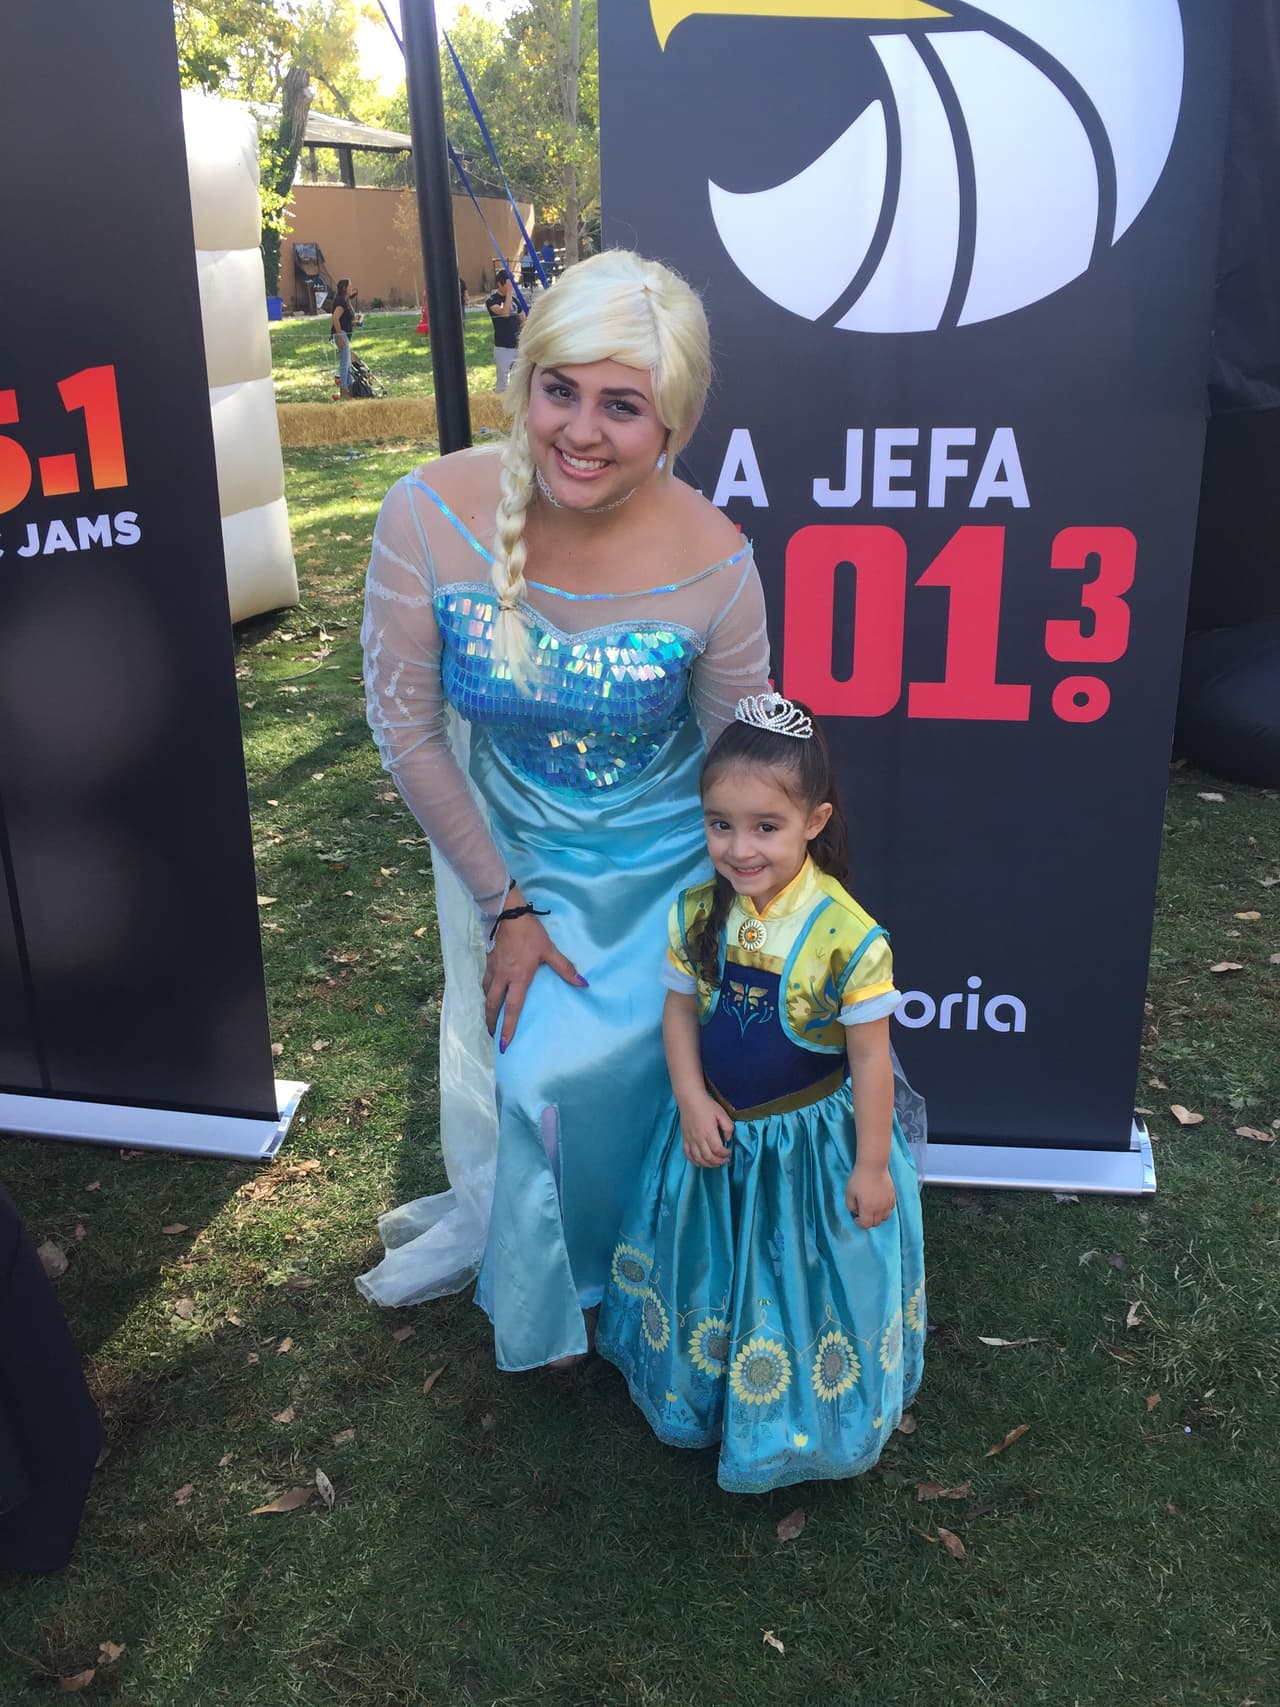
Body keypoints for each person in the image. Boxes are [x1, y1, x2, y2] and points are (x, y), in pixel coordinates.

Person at [357, 250, 772, 1372]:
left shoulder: (717, 559)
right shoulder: (426, 513)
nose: (581, 432)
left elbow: (744, 764)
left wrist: (749, 917)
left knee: (680, 1062)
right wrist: (505, 906)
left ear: (674, 422)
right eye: (560, 391)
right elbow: (404, 728)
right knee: (541, 1075)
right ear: (524, 384)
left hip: (669, 860)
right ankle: (568, 1287)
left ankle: (667, 1265)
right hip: (513, 852)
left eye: (621, 406)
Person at [596, 695, 926, 1493]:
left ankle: (797, 1413)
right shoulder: (697, 912)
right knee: (709, 1263)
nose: (739, 848)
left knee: (797, 1277)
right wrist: (689, 1097)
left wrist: (871, 1165)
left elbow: (871, 1062)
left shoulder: (849, 936)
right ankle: (703, 1390)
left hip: (807, 1150)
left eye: (765, 826)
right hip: (714, 1130)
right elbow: (680, 1011)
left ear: (814, 821)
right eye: (720, 824)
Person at [485, 269, 524, 393]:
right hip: (503, 347)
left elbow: (523, 318)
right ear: (499, 284)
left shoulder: (514, 300)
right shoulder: (492, 300)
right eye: (507, 284)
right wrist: (509, 293)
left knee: (517, 380)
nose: (510, 287)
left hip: (516, 345)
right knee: (503, 380)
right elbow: (505, 313)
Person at [331, 277, 355, 398]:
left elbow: (349, 317)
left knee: (348, 362)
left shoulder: (345, 301)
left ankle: (350, 387)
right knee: (345, 363)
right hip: (342, 334)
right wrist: (340, 336)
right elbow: (335, 318)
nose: (352, 288)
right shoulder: (340, 301)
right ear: (344, 288)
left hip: (345, 333)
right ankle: (344, 389)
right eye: (350, 286)